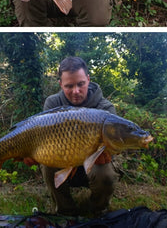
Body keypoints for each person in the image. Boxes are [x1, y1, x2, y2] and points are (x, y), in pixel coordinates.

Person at [41, 56, 118, 216]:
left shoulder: (105, 108)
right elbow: (43, 141)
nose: (76, 91)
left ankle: (97, 210)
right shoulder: (52, 104)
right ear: (60, 84)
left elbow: (115, 143)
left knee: (106, 174)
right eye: (69, 86)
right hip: (63, 160)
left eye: (80, 84)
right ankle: (65, 211)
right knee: (47, 164)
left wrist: (108, 152)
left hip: (94, 165)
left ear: (88, 80)